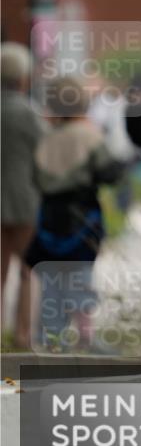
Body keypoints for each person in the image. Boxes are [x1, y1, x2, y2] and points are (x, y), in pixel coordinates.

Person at [24, 76, 123, 350]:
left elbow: (35, 176)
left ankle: (50, 337)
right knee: (80, 276)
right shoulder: (89, 135)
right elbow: (109, 172)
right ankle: (86, 335)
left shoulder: (46, 137)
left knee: (50, 280)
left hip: (48, 215)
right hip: (82, 216)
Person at [1, 43, 45, 345]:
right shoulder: (30, 114)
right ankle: (23, 335)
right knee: (28, 271)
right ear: (23, 77)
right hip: (26, 200)